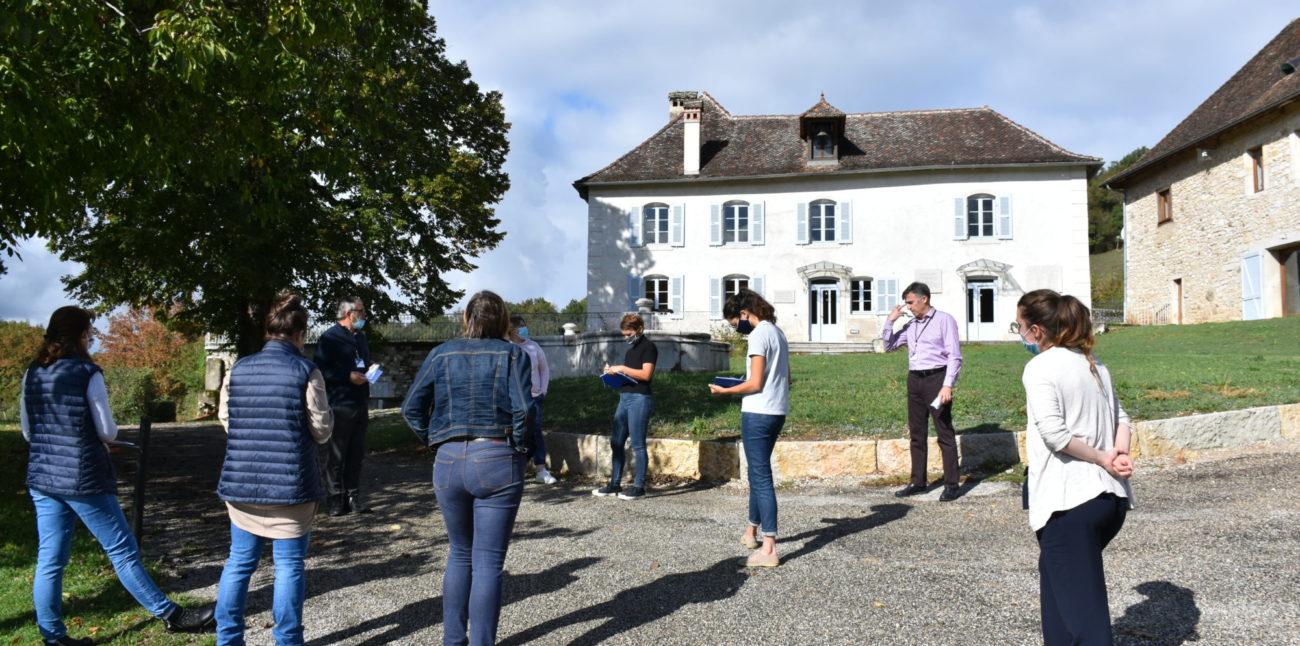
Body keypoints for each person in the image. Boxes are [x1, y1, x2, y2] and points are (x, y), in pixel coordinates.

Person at [21, 306, 214, 646]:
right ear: (81, 335)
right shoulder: (87, 372)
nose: (92, 338)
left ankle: (52, 637)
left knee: (50, 559)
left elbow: (27, 432)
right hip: (82, 476)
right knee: (122, 550)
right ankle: (171, 616)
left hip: (42, 476)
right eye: (90, 332)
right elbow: (107, 432)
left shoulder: (32, 373)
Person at [401, 290, 533, 646]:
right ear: (503, 321)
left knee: (460, 553)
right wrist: (520, 447)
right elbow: (523, 409)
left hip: (448, 459)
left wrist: (436, 439)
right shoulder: (512, 353)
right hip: (495, 455)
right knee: (488, 562)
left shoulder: (440, 353)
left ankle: (452, 640)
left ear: (466, 319)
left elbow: (411, 407)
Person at [1015, 289, 1134, 646]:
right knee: (1059, 600)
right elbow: (1122, 418)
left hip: (1070, 502)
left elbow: (1054, 435)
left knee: (1085, 621)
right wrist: (1119, 454)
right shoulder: (1092, 362)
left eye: (1019, 326)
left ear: (1036, 330)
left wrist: (1102, 457)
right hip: (1108, 500)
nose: (1019, 335)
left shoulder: (1040, 367)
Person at [215, 291, 334, 646]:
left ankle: (228, 639)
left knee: (239, 563)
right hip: (290, 485)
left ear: (269, 329)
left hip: (241, 482)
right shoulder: (306, 371)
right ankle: (287, 640)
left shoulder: (239, 368)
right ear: (300, 334)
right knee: (289, 566)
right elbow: (322, 430)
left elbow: (226, 418)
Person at [708, 289, 790, 567]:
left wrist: (724, 391)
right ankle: (751, 531)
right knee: (758, 474)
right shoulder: (777, 332)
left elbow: (754, 384)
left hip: (758, 412)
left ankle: (769, 549)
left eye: (735, 322)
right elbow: (779, 377)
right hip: (777, 410)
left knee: (761, 476)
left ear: (744, 313)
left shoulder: (757, 335)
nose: (737, 327)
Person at [882, 282, 964, 501]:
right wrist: (890, 322)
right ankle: (918, 482)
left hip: (937, 379)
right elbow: (889, 346)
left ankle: (952, 484)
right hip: (915, 380)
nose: (907, 307)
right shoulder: (911, 325)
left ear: (923, 299)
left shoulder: (944, 320)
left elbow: (954, 355)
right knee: (917, 434)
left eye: (910, 302)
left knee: (944, 432)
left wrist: (948, 385)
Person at [314, 296, 373, 515]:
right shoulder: (329, 338)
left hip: (360, 400)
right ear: (350, 314)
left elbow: (362, 363)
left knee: (356, 453)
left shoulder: (360, 338)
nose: (364, 316)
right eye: (362, 311)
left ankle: (353, 496)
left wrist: (370, 368)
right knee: (337, 453)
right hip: (340, 402)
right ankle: (335, 498)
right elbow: (320, 370)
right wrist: (346, 376)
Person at [594, 314, 657, 500]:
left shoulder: (649, 347)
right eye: (624, 334)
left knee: (638, 444)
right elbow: (630, 376)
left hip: (640, 399)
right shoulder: (631, 351)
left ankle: (639, 486)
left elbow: (646, 375)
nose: (626, 337)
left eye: (629, 333)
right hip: (625, 397)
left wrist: (621, 368)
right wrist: (612, 374)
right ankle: (615, 484)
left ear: (639, 329)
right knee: (617, 442)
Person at [508, 315, 557, 484]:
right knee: (516, 433)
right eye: (520, 326)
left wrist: (543, 391)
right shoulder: (507, 348)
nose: (524, 329)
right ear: (512, 330)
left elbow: (544, 369)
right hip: (514, 400)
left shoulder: (533, 346)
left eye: (525, 325)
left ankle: (541, 469)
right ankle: (516, 469)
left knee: (536, 433)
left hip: (535, 397)